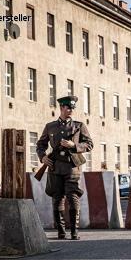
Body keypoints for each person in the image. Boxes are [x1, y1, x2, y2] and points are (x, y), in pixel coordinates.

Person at [37, 96, 93, 240]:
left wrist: (74, 145)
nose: (71, 110)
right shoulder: (50, 126)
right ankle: (61, 231)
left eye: (72, 108)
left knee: (73, 197)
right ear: (61, 108)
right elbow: (41, 144)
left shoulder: (79, 126)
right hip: (55, 167)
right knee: (57, 199)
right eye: (68, 108)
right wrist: (43, 157)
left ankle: (74, 231)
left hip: (72, 167)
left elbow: (89, 144)